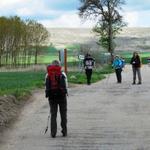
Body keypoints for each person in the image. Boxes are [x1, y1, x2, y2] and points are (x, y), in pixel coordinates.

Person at [45, 60, 68, 138]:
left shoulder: (48, 74)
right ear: (59, 65)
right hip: (62, 97)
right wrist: (66, 93)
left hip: (52, 98)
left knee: (53, 115)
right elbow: (66, 86)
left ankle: (53, 133)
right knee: (63, 114)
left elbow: (46, 86)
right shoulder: (63, 74)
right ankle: (64, 131)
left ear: (52, 65)